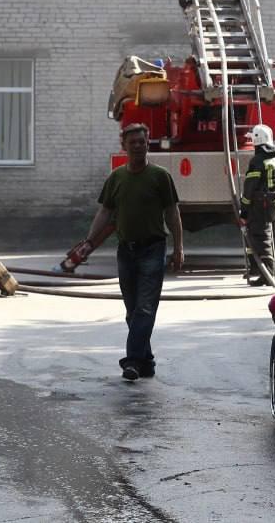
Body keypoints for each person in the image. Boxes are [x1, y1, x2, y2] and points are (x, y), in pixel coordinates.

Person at [80, 123, 184, 381]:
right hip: (126, 251)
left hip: (153, 248)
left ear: (148, 143)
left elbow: (172, 213)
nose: (138, 146)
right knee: (132, 310)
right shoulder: (116, 178)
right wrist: (89, 242)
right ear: (124, 145)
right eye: (133, 142)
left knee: (145, 308)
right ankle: (146, 360)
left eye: (142, 141)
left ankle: (133, 362)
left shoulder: (160, 176)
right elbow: (105, 212)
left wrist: (179, 248)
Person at [238, 124, 275, 287]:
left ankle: (268, 273)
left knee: (261, 238)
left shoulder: (258, 161)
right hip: (274, 204)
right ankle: (257, 268)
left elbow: (249, 188)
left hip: (260, 206)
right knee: (258, 236)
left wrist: (244, 211)